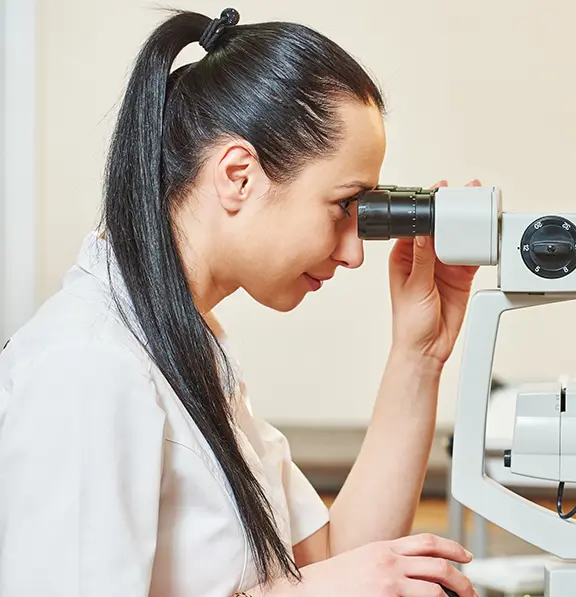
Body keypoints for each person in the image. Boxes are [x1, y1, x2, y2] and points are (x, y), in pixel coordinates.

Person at [0, 7, 483, 597]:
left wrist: (419, 352)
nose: (355, 254)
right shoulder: (89, 365)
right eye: (343, 207)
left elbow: (338, 563)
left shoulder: (189, 349)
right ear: (238, 175)